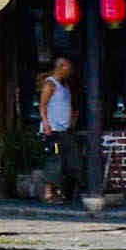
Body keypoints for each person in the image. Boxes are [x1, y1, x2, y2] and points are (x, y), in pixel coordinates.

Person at [35, 54, 78, 201]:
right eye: (68, 67)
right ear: (61, 67)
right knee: (54, 159)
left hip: (64, 130)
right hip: (53, 131)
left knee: (68, 160)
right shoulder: (50, 84)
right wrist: (46, 124)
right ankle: (48, 193)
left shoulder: (64, 86)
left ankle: (60, 191)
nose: (70, 71)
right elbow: (43, 105)